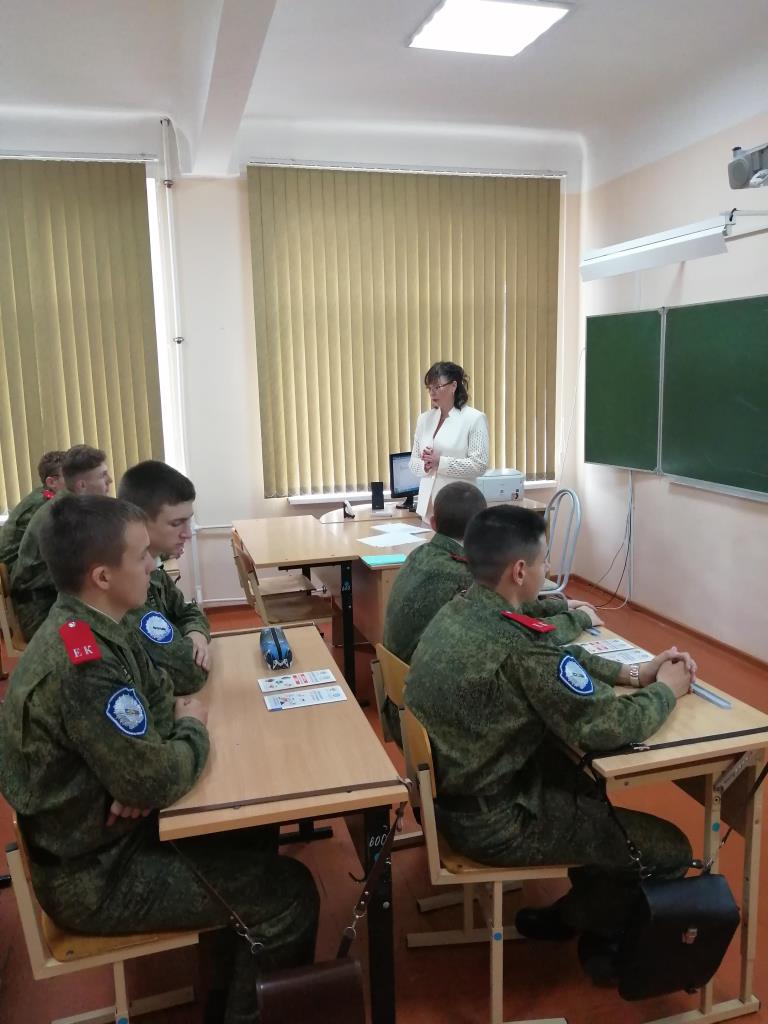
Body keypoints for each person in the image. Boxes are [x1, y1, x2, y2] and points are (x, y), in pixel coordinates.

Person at [0, 494, 318, 1023]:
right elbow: (157, 766)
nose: (154, 565)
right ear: (103, 576)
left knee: (254, 830)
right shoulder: (81, 662)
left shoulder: (99, 622)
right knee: (291, 896)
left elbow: (158, 697)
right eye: (141, 555)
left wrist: (146, 763)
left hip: (107, 838)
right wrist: (186, 733)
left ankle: (225, 982)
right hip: (98, 875)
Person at [405, 505, 695, 975]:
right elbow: (605, 726)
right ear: (520, 571)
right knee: (671, 850)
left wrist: (635, 672)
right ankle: (595, 929)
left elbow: (550, 651)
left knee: (589, 793)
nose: (549, 570)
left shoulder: (458, 611)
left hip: (450, 803)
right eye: (544, 561)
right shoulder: (518, 647)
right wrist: (666, 690)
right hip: (495, 823)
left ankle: (574, 912)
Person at [382, 481, 602, 746]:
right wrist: (578, 618)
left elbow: (509, 608)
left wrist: (561, 605)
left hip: (408, 696)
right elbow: (520, 635)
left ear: (433, 523)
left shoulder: (421, 554)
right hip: (441, 708)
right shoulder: (465, 575)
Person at [117, 460, 211, 694]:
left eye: (188, 520)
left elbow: (188, 611)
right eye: (176, 523)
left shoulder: (155, 567)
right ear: (138, 523)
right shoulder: (125, 584)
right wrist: (190, 646)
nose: (187, 533)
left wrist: (196, 633)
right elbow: (189, 674)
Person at [10, 444, 113, 640]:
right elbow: (89, 569)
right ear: (82, 485)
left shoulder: (74, 508)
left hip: (59, 600)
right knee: (111, 637)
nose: (110, 480)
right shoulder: (63, 516)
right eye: (103, 475)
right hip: (41, 609)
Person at [409, 361, 489, 521]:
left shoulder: (474, 418)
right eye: (429, 388)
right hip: (428, 508)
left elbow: (479, 465)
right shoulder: (424, 419)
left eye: (437, 387)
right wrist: (425, 465)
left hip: (459, 507)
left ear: (453, 386)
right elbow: (413, 463)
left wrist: (440, 462)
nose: (432, 393)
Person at [0, 450, 66, 572]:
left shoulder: (43, 495)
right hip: (20, 571)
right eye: (69, 477)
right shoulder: (43, 504)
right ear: (51, 482)